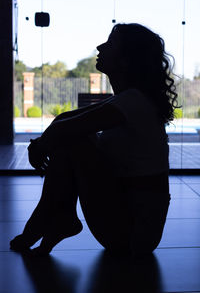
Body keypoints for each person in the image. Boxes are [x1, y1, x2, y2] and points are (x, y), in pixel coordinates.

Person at [10, 23, 178, 257]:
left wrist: (40, 146)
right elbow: (66, 118)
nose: (100, 47)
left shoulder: (132, 102)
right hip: (133, 229)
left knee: (73, 140)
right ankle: (58, 217)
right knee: (74, 136)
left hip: (132, 234)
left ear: (126, 60)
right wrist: (42, 143)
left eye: (110, 43)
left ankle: (51, 218)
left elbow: (67, 128)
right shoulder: (129, 99)